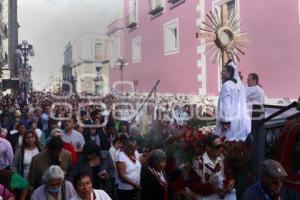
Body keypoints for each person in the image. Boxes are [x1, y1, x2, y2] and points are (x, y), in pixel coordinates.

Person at [187, 134, 236, 200]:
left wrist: (231, 182)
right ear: (208, 147)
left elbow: (229, 175)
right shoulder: (198, 163)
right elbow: (193, 185)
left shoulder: (222, 159)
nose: (221, 149)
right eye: (217, 147)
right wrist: (211, 188)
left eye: (221, 146)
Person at [216, 61, 251, 141]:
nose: (221, 72)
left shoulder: (226, 85)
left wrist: (226, 121)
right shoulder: (235, 85)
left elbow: (226, 104)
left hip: (228, 120)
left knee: (225, 139)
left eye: (224, 71)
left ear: (229, 73)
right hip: (235, 117)